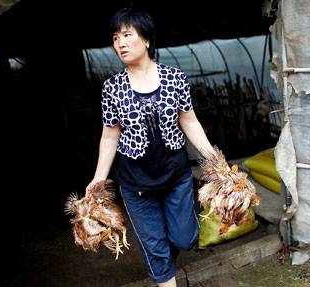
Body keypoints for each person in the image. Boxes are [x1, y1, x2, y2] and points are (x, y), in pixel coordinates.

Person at [85, 8, 215, 287]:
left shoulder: (175, 78)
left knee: (185, 238)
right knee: (155, 248)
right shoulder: (112, 88)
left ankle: (165, 256)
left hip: (175, 177)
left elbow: (189, 122)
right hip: (135, 183)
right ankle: (163, 269)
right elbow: (110, 136)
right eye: (116, 37)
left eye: (127, 35)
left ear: (146, 40)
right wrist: (98, 178)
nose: (120, 42)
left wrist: (215, 159)